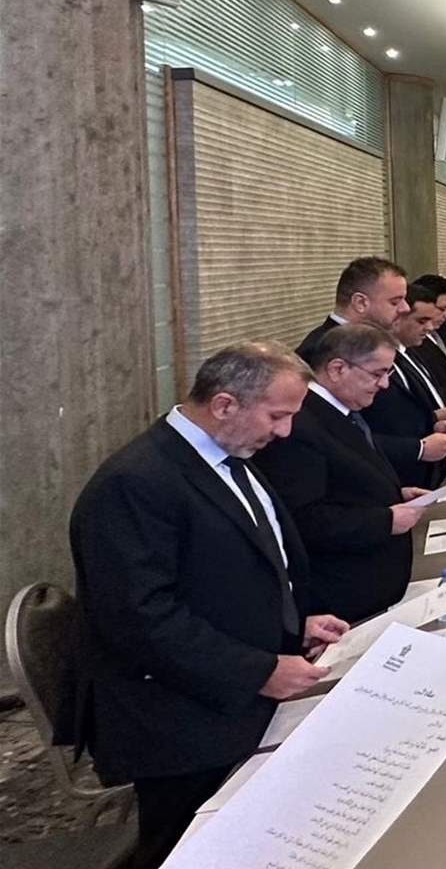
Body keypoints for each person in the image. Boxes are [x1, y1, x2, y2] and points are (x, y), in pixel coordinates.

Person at [69, 343, 350, 865]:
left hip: (229, 681)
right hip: (177, 716)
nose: (286, 432)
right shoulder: (135, 482)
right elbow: (139, 620)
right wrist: (258, 671)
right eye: (277, 416)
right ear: (224, 405)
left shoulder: (229, 455)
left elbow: (232, 571)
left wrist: (293, 623)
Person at [252, 324, 431, 624]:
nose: (384, 384)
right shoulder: (298, 425)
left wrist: (392, 494)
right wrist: (386, 520)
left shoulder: (342, 411)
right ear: (337, 369)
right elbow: (304, 519)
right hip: (342, 599)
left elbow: (343, 481)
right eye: (377, 374)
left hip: (377, 585)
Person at [361, 283, 446, 487]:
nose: (430, 327)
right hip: (400, 474)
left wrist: (433, 422)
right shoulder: (375, 355)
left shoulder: (408, 352)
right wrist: (418, 448)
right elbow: (368, 429)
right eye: (421, 321)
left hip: (426, 471)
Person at [296, 256, 409, 364]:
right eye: (395, 302)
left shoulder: (372, 340)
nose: (406, 308)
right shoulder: (321, 353)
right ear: (360, 303)